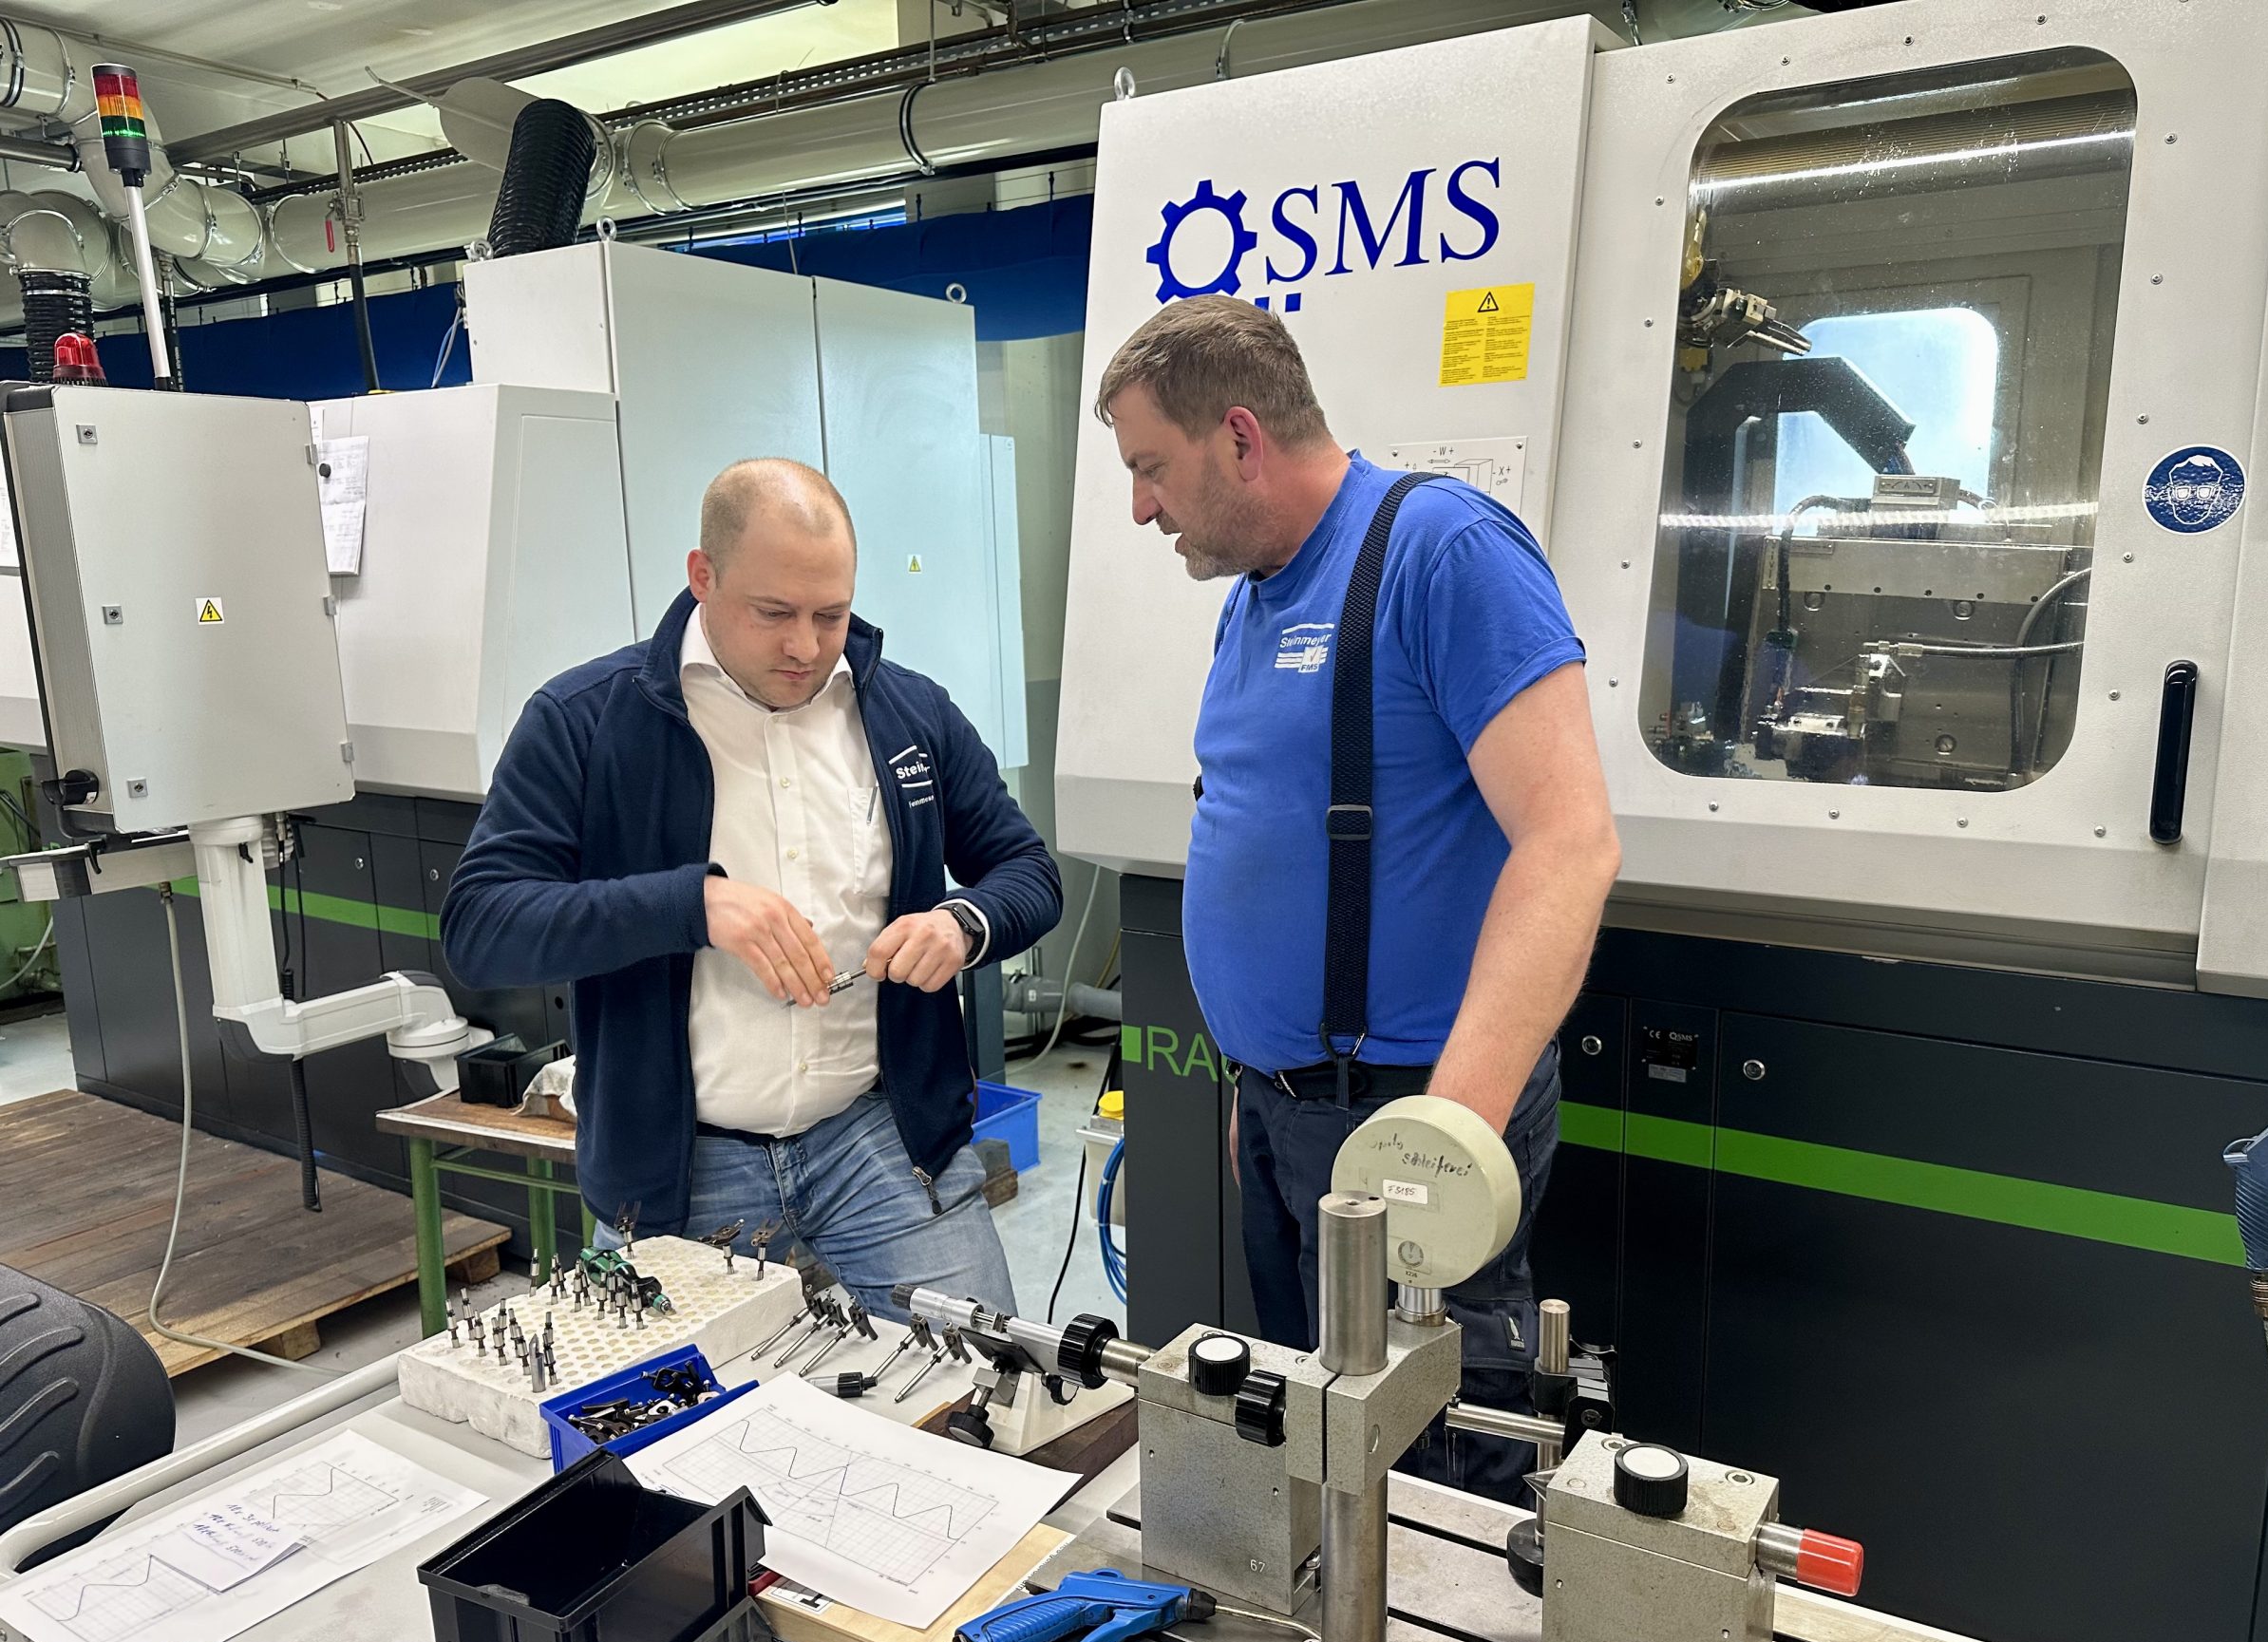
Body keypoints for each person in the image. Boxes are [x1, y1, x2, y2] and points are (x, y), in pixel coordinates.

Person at [1094, 296, 1621, 1500]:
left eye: (1150, 468)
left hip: (1407, 1113)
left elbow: (1569, 841)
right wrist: (1262, 1084)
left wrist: (1446, 1137)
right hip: (1289, 1115)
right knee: (1325, 1450)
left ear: (1239, 438)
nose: (1140, 508)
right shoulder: (1255, 592)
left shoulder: (1442, 551)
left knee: (1431, 1466)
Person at [442, 459, 1061, 1315]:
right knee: (670, 1405)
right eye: (773, 613)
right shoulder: (587, 720)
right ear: (703, 575)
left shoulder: (905, 715)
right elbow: (480, 924)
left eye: (831, 614)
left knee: (986, 1376)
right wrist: (692, 906)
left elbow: (1028, 870)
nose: (806, 646)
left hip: (881, 1139)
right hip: (679, 1170)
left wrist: (962, 923)